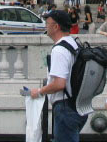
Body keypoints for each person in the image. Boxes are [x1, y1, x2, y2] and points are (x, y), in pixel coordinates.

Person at [29, 10, 87, 141]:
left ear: (56, 27)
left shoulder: (59, 50)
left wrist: (39, 91)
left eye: (47, 23)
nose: (45, 26)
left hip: (65, 108)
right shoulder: (74, 43)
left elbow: (59, 83)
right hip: (77, 105)